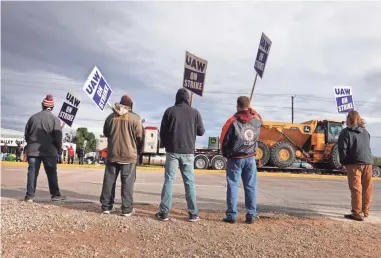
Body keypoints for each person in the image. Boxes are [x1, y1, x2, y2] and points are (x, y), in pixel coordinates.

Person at [155, 88, 205, 222]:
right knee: (189, 183)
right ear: (188, 99)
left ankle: (164, 212)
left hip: (172, 151)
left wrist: (164, 144)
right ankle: (193, 213)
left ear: (176, 98)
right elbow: (201, 131)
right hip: (188, 152)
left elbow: (163, 132)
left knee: (169, 181)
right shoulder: (195, 112)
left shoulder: (169, 111)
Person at [220, 96, 263, 224]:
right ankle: (251, 215)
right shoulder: (256, 120)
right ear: (249, 106)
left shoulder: (231, 121)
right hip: (250, 158)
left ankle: (231, 215)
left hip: (235, 158)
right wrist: (252, 110)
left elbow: (223, 140)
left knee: (233, 185)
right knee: (250, 186)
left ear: (237, 106)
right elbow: (261, 119)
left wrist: (226, 153)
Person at [100, 95, 143, 216]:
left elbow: (106, 133)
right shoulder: (136, 118)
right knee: (127, 183)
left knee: (109, 181)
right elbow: (140, 137)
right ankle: (126, 209)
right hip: (129, 156)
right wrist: (138, 152)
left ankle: (106, 207)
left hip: (113, 154)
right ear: (130, 106)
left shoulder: (110, 117)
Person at [24, 94, 65, 202]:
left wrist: (31, 144)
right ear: (51, 107)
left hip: (33, 151)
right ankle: (55, 195)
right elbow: (58, 137)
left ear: (42, 105)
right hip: (50, 151)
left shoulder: (32, 118)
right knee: (51, 173)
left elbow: (26, 135)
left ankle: (29, 196)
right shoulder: (55, 120)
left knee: (32, 173)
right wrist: (59, 148)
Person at [338, 110, 374, 221]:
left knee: (356, 188)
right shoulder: (365, 132)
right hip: (368, 162)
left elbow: (342, 149)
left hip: (354, 163)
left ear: (349, 119)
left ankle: (356, 213)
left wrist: (343, 162)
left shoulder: (345, 132)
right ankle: (365, 211)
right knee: (367, 188)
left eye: (347, 118)